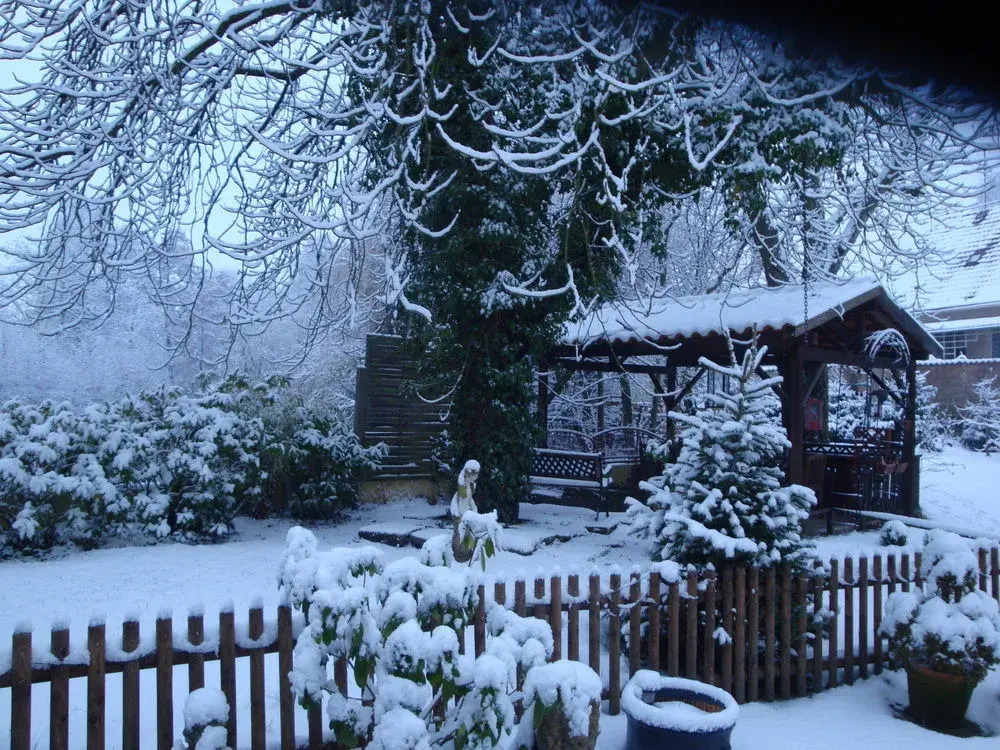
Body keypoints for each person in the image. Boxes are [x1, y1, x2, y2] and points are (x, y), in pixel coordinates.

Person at [450, 459, 480, 562]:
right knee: (460, 535)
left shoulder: (470, 486)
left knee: (467, 534)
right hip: (459, 514)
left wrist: (474, 510)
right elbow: (459, 501)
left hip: (467, 513)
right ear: (468, 473)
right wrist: (460, 515)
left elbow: (470, 499)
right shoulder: (462, 487)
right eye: (475, 474)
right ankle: (459, 555)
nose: (476, 476)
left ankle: (467, 553)